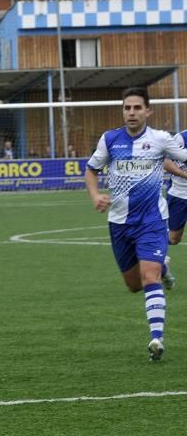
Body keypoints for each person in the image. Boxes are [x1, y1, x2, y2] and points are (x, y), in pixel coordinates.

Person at [84, 87, 187, 362]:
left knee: (149, 277)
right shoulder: (110, 140)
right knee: (132, 284)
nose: (132, 112)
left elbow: (181, 158)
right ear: (123, 111)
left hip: (153, 221)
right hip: (119, 223)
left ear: (148, 111)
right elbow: (91, 170)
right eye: (127, 108)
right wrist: (95, 195)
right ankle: (164, 266)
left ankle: (157, 338)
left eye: (137, 108)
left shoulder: (160, 139)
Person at [165, 128, 187, 260]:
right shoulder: (181, 138)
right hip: (179, 194)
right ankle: (150, 243)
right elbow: (166, 162)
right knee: (174, 238)